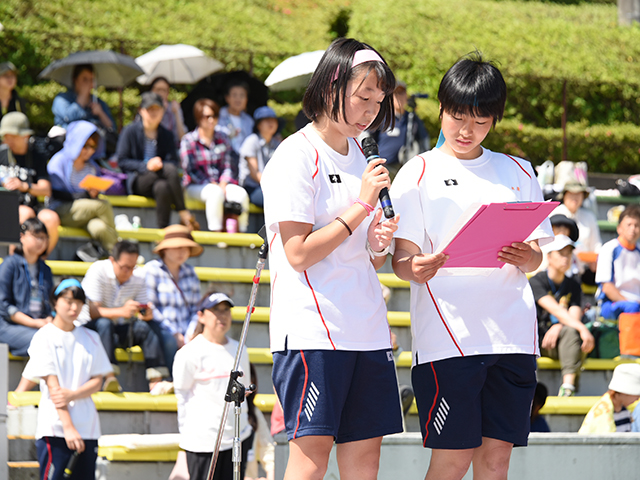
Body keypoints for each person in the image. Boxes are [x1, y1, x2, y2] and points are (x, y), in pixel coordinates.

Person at [390, 52, 553, 480]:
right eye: (458, 116)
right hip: (450, 338)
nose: (466, 130)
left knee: (497, 460)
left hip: (513, 336)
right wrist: (417, 267)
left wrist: (528, 256)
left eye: (480, 121)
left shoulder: (518, 170)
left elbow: (536, 257)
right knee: (452, 460)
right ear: (441, 109)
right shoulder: (418, 172)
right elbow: (401, 260)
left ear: (495, 120)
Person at [261, 38, 403, 480]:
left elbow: (366, 257)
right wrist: (361, 207)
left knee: (366, 459)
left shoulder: (362, 154)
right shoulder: (295, 155)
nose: (371, 111)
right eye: (363, 97)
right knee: (311, 458)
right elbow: (298, 253)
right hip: (312, 331)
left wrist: (378, 241)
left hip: (366, 327)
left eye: (378, 102)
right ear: (331, 87)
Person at [22, 279, 112, 480]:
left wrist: (73, 394)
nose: (74, 307)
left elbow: (98, 380)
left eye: (79, 303)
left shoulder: (91, 337)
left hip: (87, 426)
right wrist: (68, 428)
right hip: (55, 428)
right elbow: (54, 388)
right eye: (69, 301)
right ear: (55, 302)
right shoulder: (43, 336)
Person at [173, 292, 254, 480]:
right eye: (216, 310)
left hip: (238, 439)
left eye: (226, 310)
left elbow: (244, 392)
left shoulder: (240, 349)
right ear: (201, 316)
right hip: (203, 442)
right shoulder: (189, 352)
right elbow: (182, 394)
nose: (222, 315)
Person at [77, 240, 173, 393]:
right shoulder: (98, 270)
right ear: (112, 260)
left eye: (132, 267)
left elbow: (143, 308)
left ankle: (156, 382)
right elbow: (93, 312)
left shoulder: (139, 276)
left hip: (118, 329)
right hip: (90, 329)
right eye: (124, 267)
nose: (128, 271)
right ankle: (109, 377)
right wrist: (122, 311)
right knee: (104, 323)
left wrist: (146, 314)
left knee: (151, 327)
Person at [117, 91, 196, 229]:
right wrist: (146, 166)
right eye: (149, 109)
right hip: (138, 180)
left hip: (160, 179)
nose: (153, 113)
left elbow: (173, 161)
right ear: (141, 111)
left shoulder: (166, 134)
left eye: (157, 109)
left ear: (163, 111)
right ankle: (183, 212)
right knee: (169, 170)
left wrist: (159, 165)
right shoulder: (130, 131)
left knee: (162, 187)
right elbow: (122, 161)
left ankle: (163, 230)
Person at [529, 235, 595, 396]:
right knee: (577, 331)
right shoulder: (537, 281)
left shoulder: (574, 284)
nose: (566, 258)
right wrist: (583, 330)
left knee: (572, 331)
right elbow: (555, 309)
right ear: (549, 256)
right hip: (539, 341)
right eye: (561, 253)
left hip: (561, 341)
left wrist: (560, 325)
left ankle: (568, 388)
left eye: (568, 253)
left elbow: (573, 317)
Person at [47, 120, 118, 256]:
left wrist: (93, 193)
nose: (89, 151)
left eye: (93, 147)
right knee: (102, 205)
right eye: (85, 145)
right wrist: (84, 196)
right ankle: (120, 253)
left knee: (100, 228)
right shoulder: (59, 161)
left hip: (83, 213)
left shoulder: (92, 167)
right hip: (61, 209)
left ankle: (114, 257)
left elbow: (89, 197)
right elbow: (55, 193)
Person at [180, 98, 249, 232]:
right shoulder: (188, 140)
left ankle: (243, 233)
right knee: (215, 193)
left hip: (221, 185)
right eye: (207, 116)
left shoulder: (223, 138)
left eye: (214, 116)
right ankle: (216, 234)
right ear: (198, 118)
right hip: (195, 186)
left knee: (241, 194)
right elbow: (190, 170)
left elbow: (229, 165)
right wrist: (212, 183)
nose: (211, 120)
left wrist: (223, 182)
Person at [140, 225, 203, 370]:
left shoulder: (191, 272)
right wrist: (175, 333)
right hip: (162, 328)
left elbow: (196, 308)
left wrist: (189, 333)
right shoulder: (151, 270)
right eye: (176, 247)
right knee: (169, 341)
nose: (182, 252)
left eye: (185, 247)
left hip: (188, 331)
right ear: (165, 249)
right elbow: (150, 306)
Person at [0, 112, 60, 255]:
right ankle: (14, 264)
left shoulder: (36, 157)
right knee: (24, 213)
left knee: (51, 218)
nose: (9, 141)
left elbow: (46, 189)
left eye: (13, 136)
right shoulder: (1, 154)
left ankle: (39, 264)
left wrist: (24, 186)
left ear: (25, 136)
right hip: (6, 207)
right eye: (6, 137)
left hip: (31, 206)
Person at [0, 219, 53, 358]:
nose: (41, 241)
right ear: (21, 237)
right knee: (42, 341)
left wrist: (48, 319)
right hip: (8, 325)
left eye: (44, 237)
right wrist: (34, 323)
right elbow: (4, 306)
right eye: (36, 236)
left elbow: (51, 304)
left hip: (39, 325)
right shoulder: (9, 264)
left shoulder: (46, 269)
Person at [366, 80, 430, 179]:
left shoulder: (412, 119)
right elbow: (367, 136)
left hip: (403, 169)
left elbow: (424, 141)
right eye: (395, 94)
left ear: (406, 96)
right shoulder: (383, 117)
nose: (399, 97)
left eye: (401, 93)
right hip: (382, 167)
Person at [51, 64, 116, 158]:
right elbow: (68, 117)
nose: (89, 83)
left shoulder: (98, 102)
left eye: (92, 79)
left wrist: (100, 113)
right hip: (68, 152)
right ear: (75, 80)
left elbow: (112, 128)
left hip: (95, 152)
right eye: (85, 79)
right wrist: (81, 99)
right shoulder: (62, 99)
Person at [595, 204, 640, 319]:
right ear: (619, 228)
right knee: (633, 308)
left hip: (636, 302)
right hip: (611, 304)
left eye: (637, 225)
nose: (633, 229)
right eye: (629, 225)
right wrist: (631, 303)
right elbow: (607, 287)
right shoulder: (609, 248)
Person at [552, 179, 602, 283]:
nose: (575, 198)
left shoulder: (589, 217)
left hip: (583, 269)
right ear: (564, 195)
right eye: (571, 194)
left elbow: (597, 246)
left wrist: (591, 259)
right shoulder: (554, 214)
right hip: (557, 268)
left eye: (578, 194)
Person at [579, 363, 640, 433]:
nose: (638, 398)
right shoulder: (603, 413)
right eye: (637, 394)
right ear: (624, 392)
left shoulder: (624, 411)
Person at [239, 106, 281, 208]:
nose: (271, 123)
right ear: (258, 125)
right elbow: (255, 173)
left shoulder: (276, 143)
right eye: (266, 120)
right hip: (252, 187)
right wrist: (273, 187)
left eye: (273, 120)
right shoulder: (252, 141)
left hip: (271, 187)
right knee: (274, 200)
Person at [218, 80, 254, 168]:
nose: (238, 99)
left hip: (245, 164)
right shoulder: (218, 116)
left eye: (242, 95)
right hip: (223, 161)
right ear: (227, 98)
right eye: (234, 95)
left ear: (246, 99)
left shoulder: (249, 120)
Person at [149, 76, 187, 149]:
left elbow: (182, 138)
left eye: (164, 90)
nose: (160, 93)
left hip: (172, 149)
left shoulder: (173, 107)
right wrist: (161, 111)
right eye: (158, 89)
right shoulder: (146, 109)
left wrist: (176, 113)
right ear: (152, 90)